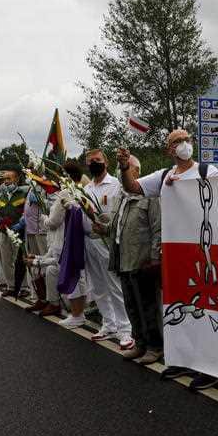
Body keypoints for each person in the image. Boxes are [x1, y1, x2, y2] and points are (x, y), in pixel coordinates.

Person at [117, 129, 218, 390]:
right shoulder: (163, 176)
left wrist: (186, 189)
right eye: (176, 142)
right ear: (169, 150)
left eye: (186, 139)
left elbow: (216, 202)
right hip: (173, 253)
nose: (182, 144)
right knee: (175, 306)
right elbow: (133, 186)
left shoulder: (207, 172)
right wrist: (123, 167)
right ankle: (183, 358)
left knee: (201, 304)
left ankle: (209, 364)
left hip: (201, 252)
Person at [99, 155, 163, 363]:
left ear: (136, 172)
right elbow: (117, 227)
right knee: (131, 306)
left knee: (147, 307)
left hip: (142, 262)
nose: (120, 173)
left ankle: (155, 346)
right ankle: (140, 343)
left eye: (124, 169)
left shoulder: (150, 197)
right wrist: (103, 228)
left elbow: (158, 230)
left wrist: (154, 259)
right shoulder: (121, 197)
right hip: (123, 260)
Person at [82, 149, 134, 350]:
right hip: (90, 241)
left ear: (106, 162)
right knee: (98, 287)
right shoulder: (86, 188)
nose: (94, 163)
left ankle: (126, 330)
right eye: (90, 161)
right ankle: (109, 324)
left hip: (107, 242)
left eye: (97, 160)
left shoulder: (115, 185)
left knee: (115, 286)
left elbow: (120, 212)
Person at [29, 162, 89, 324]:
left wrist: (43, 218)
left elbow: (54, 221)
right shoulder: (81, 189)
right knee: (55, 271)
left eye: (59, 175)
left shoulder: (66, 192)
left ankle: (77, 313)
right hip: (70, 239)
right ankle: (57, 304)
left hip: (67, 239)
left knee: (73, 275)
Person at [0, 168, 30, 297]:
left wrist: (20, 224)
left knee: (19, 260)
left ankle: (24, 287)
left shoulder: (23, 193)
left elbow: (27, 212)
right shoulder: (1, 195)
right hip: (3, 232)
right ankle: (11, 286)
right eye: (5, 179)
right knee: (6, 259)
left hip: (18, 232)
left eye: (9, 178)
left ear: (17, 179)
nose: (6, 181)